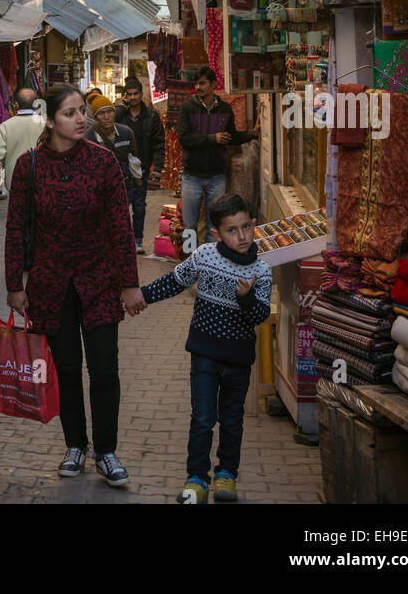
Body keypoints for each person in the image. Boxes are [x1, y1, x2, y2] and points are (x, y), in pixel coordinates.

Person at [4, 85, 146, 487]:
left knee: (104, 368)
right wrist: (16, 284)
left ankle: (106, 451)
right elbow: (16, 229)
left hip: (99, 280)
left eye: (82, 111)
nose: (81, 118)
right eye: (71, 113)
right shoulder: (29, 166)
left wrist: (129, 284)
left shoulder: (103, 162)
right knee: (65, 370)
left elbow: (121, 226)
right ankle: (74, 446)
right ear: (50, 120)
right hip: (50, 285)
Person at [138, 193, 271, 504]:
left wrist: (247, 298)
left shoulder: (261, 271)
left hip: (238, 359)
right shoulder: (205, 256)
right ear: (216, 233)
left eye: (246, 227)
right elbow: (175, 281)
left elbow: (260, 316)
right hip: (205, 356)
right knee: (202, 418)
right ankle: (196, 477)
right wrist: (142, 296)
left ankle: (227, 475)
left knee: (232, 419)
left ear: (254, 225)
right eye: (232, 230)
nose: (242, 236)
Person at [176, 67, 258, 251]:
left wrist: (252, 134)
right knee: (189, 225)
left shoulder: (225, 109)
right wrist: (213, 139)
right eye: (196, 83)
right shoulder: (187, 108)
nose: (198, 87)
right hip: (192, 175)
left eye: (203, 83)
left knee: (214, 225)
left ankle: (211, 261)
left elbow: (232, 136)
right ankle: (190, 262)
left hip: (217, 175)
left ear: (213, 85)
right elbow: (184, 138)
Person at [117, 76, 165, 254]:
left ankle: (137, 241)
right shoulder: (120, 115)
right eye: (128, 95)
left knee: (138, 207)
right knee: (120, 207)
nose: (132, 98)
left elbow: (159, 144)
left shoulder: (151, 117)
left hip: (141, 170)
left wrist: (157, 169)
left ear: (141, 93)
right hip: (121, 170)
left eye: (135, 94)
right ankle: (121, 240)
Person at [0, 87, 43, 193]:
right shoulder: (45, 124)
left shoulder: (6, 126)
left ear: (16, 104)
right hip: (41, 178)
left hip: (15, 180)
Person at [85, 96, 138, 188]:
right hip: (98, 186)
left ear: (114, 113)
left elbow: (133, 157)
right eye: (101, 113)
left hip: (123, 184)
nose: (106, 117)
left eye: (109, 111)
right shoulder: (88, 137)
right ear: (95, 117)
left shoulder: (126, 133)